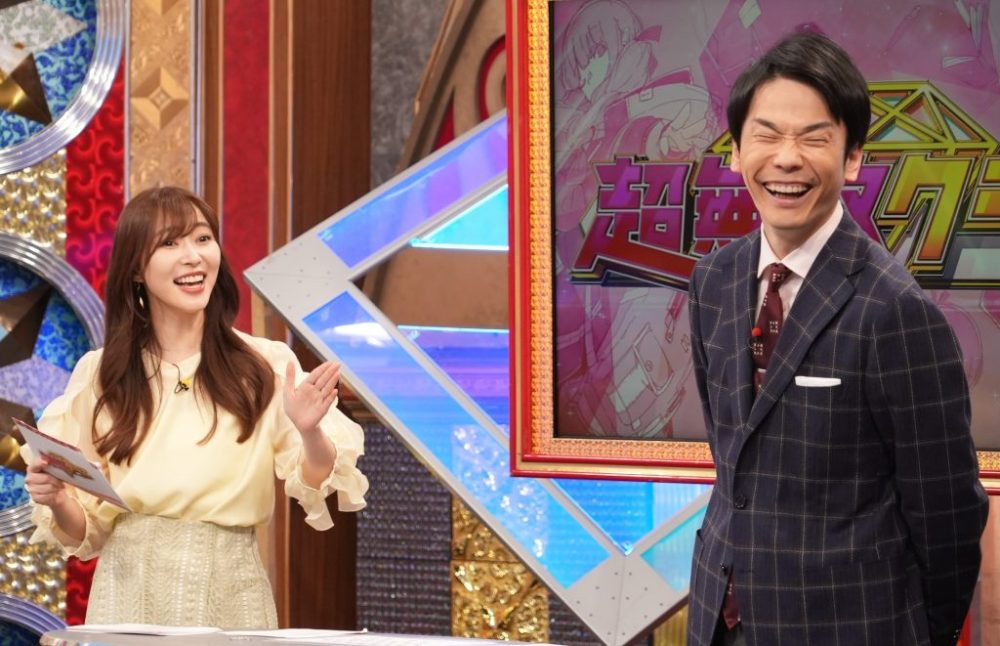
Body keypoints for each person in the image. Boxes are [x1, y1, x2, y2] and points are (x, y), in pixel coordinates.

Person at [686, 32, 989, 646]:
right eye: (767, 135)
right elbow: (732, 456)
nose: (786, 159)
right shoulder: (713, 280)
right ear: (737, 151)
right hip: (720, 617)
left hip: (851, 626)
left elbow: (948, 511)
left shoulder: (895, 310)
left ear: (852, 158)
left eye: (814, 138)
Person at [23, 186, 368, 629]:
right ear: (136, 269)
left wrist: (309, 431)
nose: (193, 257)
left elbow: (316, 480)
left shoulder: (264, 364)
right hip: (128, 595)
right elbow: (87, 531)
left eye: (203, 239)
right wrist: (56, 500)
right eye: (170, 243)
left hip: (230, 592)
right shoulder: (102, 373)